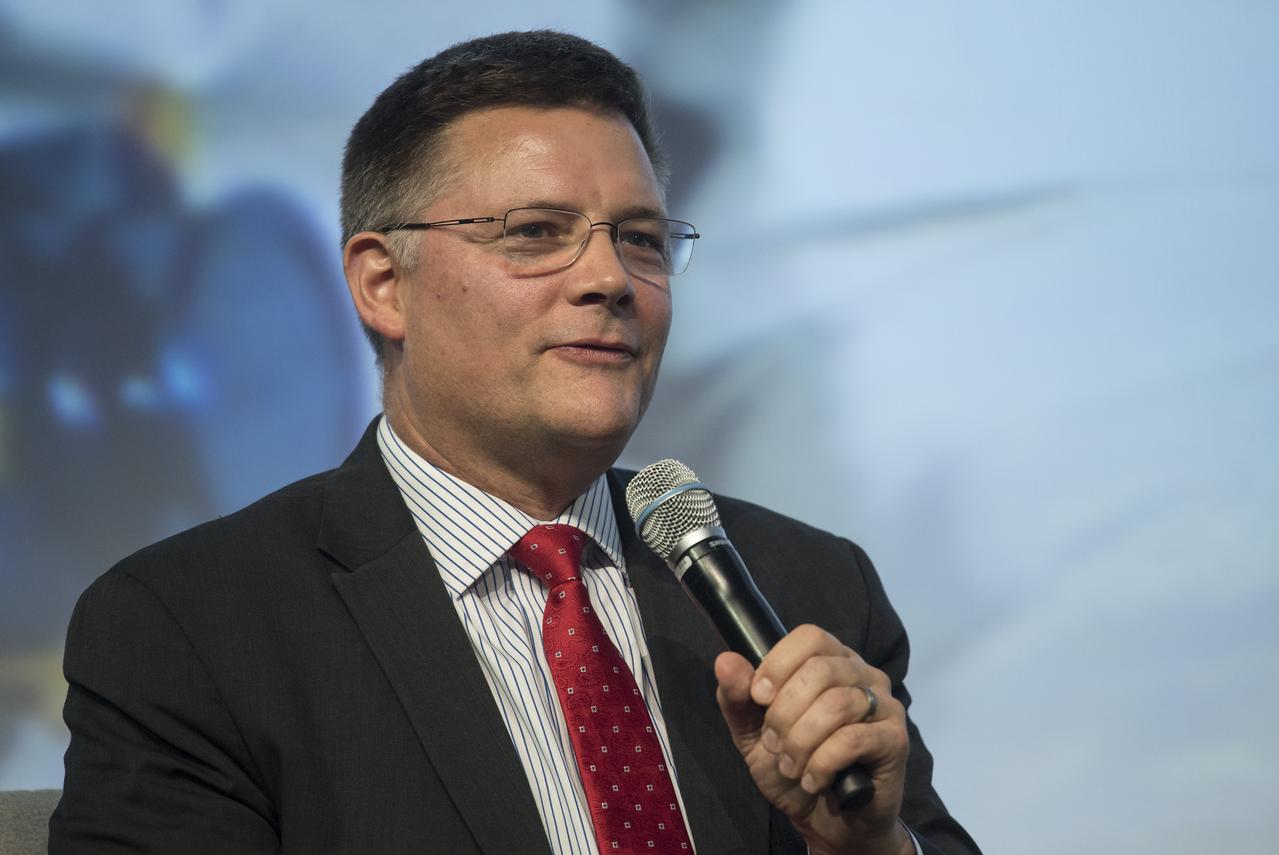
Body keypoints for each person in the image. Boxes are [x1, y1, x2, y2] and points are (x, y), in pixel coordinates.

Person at [50, 30, 981, 855]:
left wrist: (865, 850)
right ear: (383, 283)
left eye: (644, 240)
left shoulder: (806, 587)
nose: (610, 278)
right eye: (536, 233)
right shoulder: (191, 629)